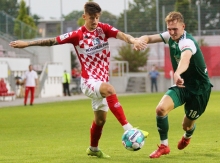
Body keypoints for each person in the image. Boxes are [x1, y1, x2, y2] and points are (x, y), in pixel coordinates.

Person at [9, 2, 148, 158]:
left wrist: (134, 40)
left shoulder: (104, 29)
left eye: (97, 17)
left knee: (100, 121)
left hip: (100, 82)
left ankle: (93, 149)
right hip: (89, 82)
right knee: (110, 89)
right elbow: (52, 41)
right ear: (84, 17)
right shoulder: (77, 35)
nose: (94, 21)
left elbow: (123, 35)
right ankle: (129, 129)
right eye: (91, 18)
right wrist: (27, 43)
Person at [137, 11, 213, 158]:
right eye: (169, 29)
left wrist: (177, 73)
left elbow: (185, 58)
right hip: (182, 85)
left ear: (183, 26)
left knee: (186, 125)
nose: (171, 32)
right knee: (160, 109)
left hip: (199, 90)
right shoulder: (170, 36)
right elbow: (151, 38)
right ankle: (164, 146)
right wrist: (141, 39)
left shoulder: (187, 42)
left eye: (175, 29)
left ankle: (188, 135)